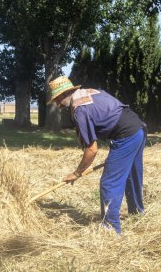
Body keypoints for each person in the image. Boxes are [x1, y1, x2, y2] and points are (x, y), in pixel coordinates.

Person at [47, 76, 146, 235]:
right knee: (130, 175)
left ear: (65, 94)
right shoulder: (91, 92)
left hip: (126, 136)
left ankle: (110, 229)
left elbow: (92, 150)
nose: (58, 105)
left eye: (57, 99)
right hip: (138, 129)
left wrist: (77, 173)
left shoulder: (80, 109)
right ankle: (137, 214)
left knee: (109, 182)